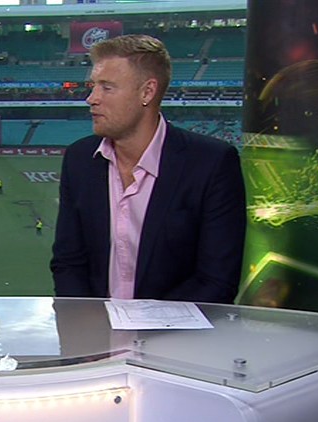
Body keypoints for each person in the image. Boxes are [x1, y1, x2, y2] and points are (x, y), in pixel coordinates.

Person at [50, 35, 246, 303]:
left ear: (147, 92)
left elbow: (217, 281)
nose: (91, 99)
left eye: (107, 87)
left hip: (176, 329)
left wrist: (142, 324)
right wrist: (89, 323)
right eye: (93, 86)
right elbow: (68, 263)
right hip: (95, 326)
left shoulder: (212, 163)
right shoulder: (79, 159)